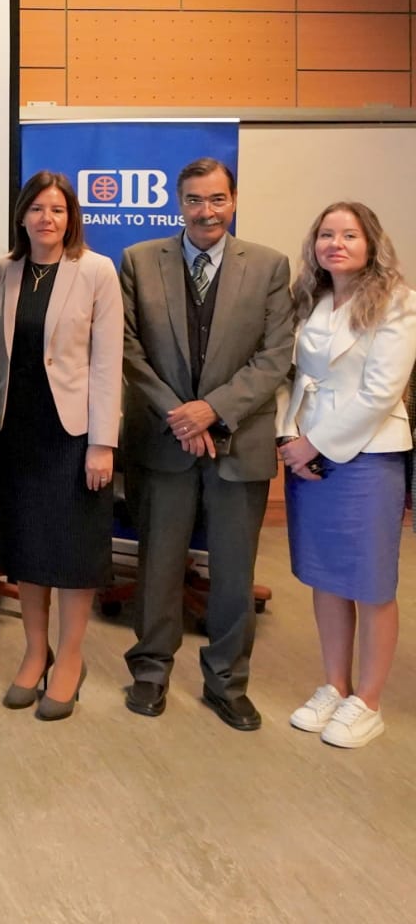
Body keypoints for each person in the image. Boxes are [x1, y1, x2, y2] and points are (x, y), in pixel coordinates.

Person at [120, 156, 293, 730]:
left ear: (233, 201)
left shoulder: (269, 266)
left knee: (235, 573)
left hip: (238, 442)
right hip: (164, 439)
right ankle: (150, 671)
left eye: (217, 199)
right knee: (158, 566)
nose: (206, 211)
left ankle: (227, 681)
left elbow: (275, 356)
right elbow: (127, 347)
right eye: (194, 200)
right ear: (180, 203)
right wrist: (181, 416)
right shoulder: (139, 260)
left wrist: (212, 411)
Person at [277, 201, 416, 748]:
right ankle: (335, 685)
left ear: (371, 243)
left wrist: (314, 443)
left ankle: (369, 701)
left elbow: (381, 392)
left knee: (370, 582)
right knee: (326, 576)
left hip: (367, 454)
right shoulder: (310, 299)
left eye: (349, 235)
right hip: (306, 451)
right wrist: (289, 437)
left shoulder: (398, 301)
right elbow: (294, 378)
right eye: (326, 234)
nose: (335, 244)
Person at [0, 172, 122, 721]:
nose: (47, 218)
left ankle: (70, 657)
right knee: (28, 547)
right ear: (22, 215)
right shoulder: (2, 270)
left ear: (71, 218)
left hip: (74, 434)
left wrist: (102, 444)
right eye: (38, 208)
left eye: (58, 210)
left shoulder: (96, 271)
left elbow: (108, 362)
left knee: (73, 549)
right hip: (17, 431)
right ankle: (34, 651)